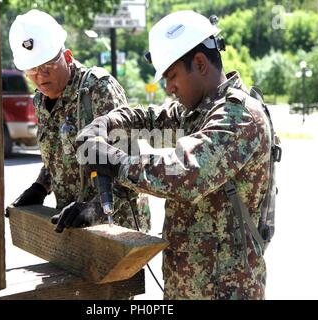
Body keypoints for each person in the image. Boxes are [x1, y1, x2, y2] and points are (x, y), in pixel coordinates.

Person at [72, 10, 274, 299]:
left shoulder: (239, 116)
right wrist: (105, 123)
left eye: (172, 75)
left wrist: (115, 163)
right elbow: (149, 118)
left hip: (226, 291)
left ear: (201, 63)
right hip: (188, 288)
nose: (168, 87)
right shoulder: (197, 111)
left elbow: (187, 174)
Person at [6, 9, 150, 233]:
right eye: (32, 70)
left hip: (117, 227)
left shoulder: (98, 90)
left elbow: (130, 165)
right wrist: (41, 186)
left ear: (68, 57)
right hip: (71, 225)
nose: (41, 77)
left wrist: (94, 209)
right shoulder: (40, 101)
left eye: (47, 67)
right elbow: (58, 155)